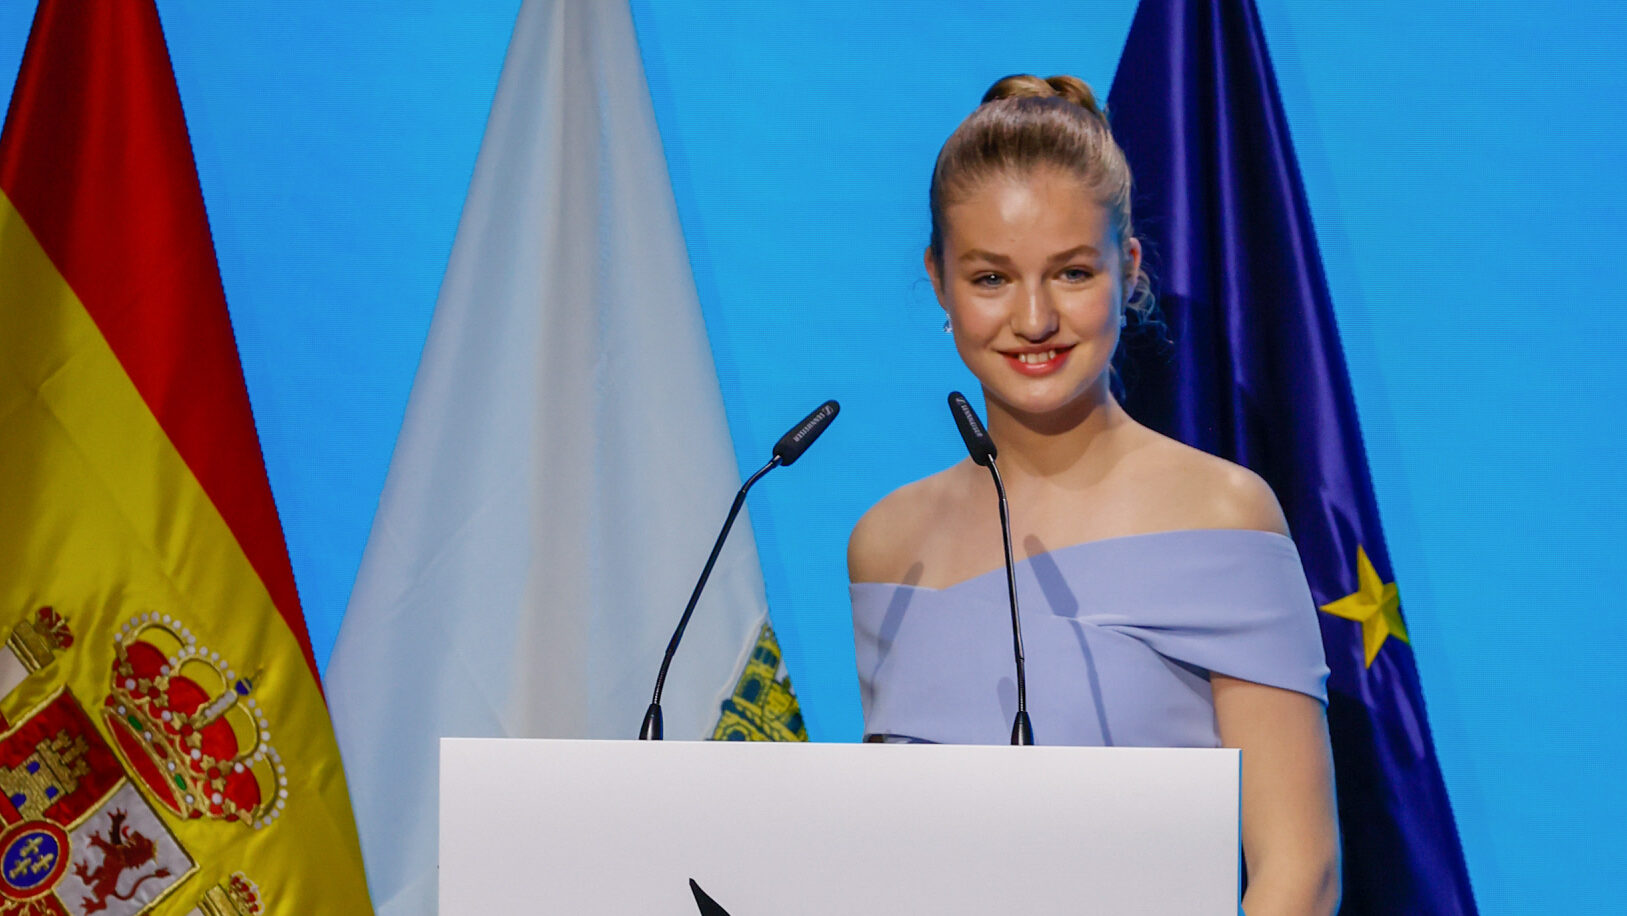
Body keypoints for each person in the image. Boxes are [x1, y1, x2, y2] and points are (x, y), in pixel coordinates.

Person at [847, 74, 1341, 916]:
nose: (1033, 319)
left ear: (1128, 267)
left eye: (1071, 273)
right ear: (938, 279)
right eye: (991, 278)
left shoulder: (1221, 512)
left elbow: (1299, 874)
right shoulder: (886, 541)